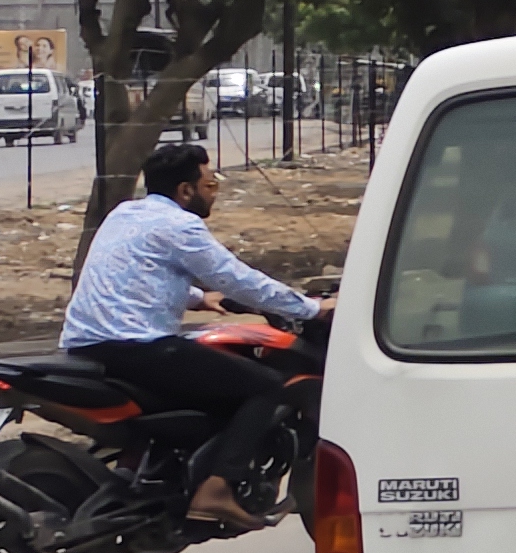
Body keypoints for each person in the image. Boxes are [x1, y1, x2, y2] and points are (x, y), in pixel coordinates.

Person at [60, 136, 323, 528]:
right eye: (210, 185)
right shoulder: (180, 226)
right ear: (186, 191)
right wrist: (312, 308)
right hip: (138, 349)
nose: (212, 194)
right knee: (265, 385)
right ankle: (216, 488)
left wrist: (197, 299)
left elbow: (135, 275)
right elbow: (238, 279)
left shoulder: (124, 214)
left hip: (85, 347)